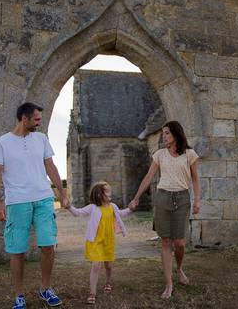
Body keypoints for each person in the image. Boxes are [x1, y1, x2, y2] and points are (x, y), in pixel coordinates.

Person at [0, 102, 69, 309]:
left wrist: (62, 192)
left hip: (43, 198)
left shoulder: (41, 139)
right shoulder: (1, 143)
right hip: (17, 202)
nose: (39, 123)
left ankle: (45, 288)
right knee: (17, 250)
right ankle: (19, 296)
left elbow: (50, 166)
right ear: (24, 118)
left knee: (48, 245)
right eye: (37, 119)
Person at [128, 121, 200, 299]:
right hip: (162, 199)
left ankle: (180, 268)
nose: (164, 136)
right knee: (166, 242)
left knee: (180, 243)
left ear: (176, 134)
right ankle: (169, 283)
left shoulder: (189, 154)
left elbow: (196, 179)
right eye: (163, 133)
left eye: (167, 133)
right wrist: (136, 197)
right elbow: (149, 177)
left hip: (182, 199)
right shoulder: (159, 154)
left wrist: (197, 200)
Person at [64, 181, 131, 305]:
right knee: (96, 266)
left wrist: (130, 209)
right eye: (107, 191)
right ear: (100, 194)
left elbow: (121, 213)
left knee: (108, 266)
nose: (110, 192)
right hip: (95, 242)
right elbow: (78, 212)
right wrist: (69, 207)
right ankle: (92, 293)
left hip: (108, 241)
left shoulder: (113, 207)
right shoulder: (93, 208)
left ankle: (108, 282)